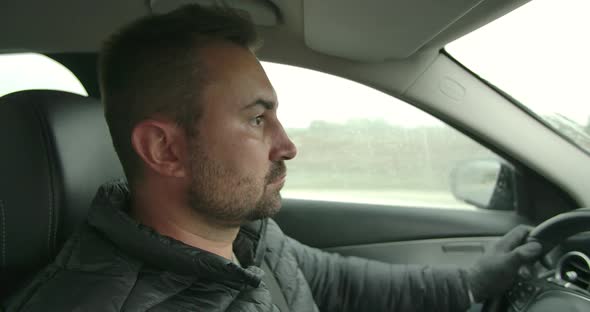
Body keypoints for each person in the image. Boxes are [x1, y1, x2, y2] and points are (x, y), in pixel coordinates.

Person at [8, 4, 542, 312]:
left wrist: (475, 281)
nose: (287, 145)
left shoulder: (244, 236)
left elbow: (341, 282)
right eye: (258, 119)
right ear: (164, 149)